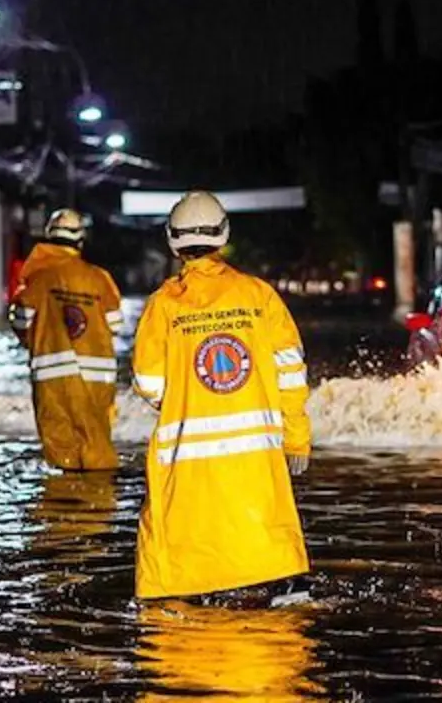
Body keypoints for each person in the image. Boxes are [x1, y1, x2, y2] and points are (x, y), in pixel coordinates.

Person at [131, 190, 312, 604]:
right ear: (223, 235)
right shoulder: (259, 295)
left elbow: (149, 383)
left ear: (172, 241)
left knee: (178, 565)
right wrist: (296, 436)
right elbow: (291, 373)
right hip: (257, 461)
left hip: (187, 460)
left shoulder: (163, 306)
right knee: (269, 549)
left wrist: (188, 398)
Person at [9, 208, 124, 472]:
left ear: (49, 238)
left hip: (54, 377)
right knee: (97, 443)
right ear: (80, 241)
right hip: (99, 377)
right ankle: (101, 498)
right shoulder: (100, 278)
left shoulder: (38, 278)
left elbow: (20, 319)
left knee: (62, 453)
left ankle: (67, 500)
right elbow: (116, 325)